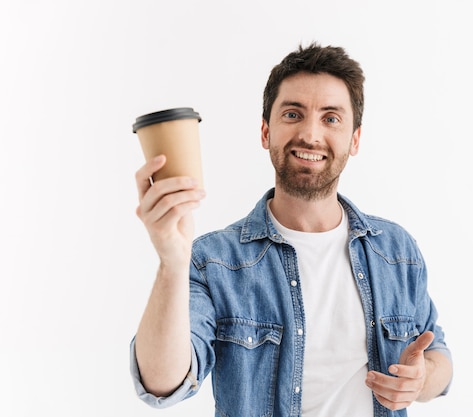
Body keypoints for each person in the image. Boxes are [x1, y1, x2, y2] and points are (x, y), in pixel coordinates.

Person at [130, 42, 453, 416]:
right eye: (293, 114)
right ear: (266, 131)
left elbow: (438, 357)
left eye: (331, 118)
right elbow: (162, 384)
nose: (311, 135)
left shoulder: (396, 250)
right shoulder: (212, 261)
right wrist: (172, 261)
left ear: (355, 139)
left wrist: (421, 379)